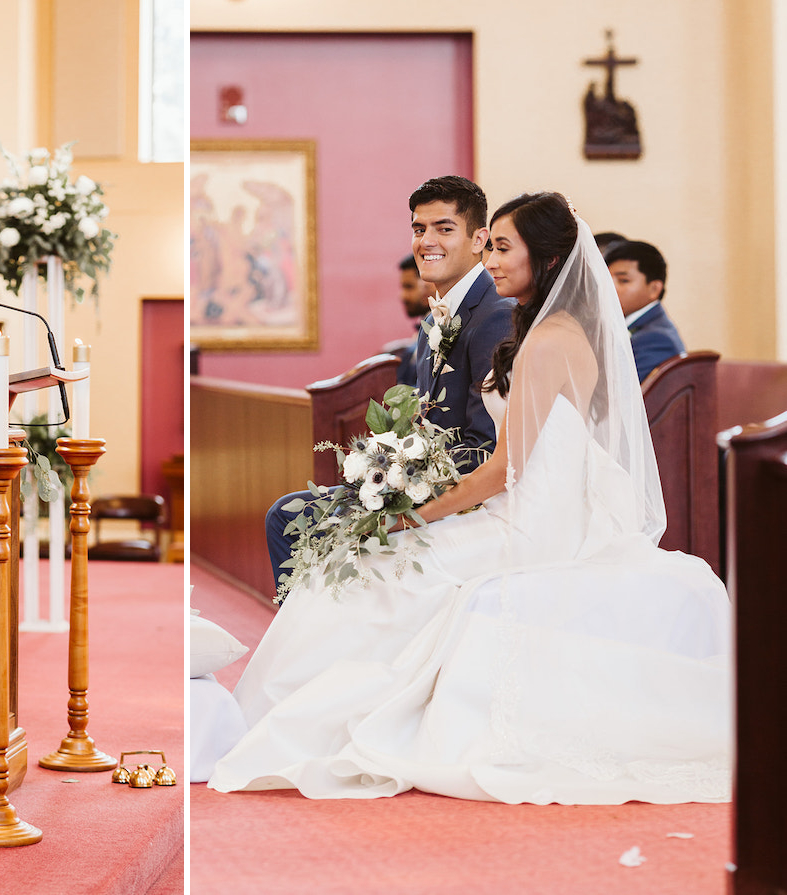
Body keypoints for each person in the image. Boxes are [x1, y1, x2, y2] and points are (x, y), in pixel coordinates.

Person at [210, 193, 731, 804]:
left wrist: (411, 518)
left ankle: (310, 717)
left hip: (529, 522)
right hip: (540, 507)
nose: (492, 259)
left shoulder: (547, 341)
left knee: (378, 570)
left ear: (548, 256)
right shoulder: (556, 331)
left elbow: (501, 470)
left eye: (503, 247)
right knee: (366, 565)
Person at [264, 176, 514, 591]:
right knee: (290, 511)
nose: (426, 240)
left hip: (466, 497)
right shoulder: (434, 319)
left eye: (444, 228)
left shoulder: (495, 316)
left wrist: (401, 478)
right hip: (420, 478)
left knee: (289, 516)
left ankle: (313, 643)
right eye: (419, 229)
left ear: (478, 239)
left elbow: (486, 446)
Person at [605, 239, 686, 382]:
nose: (610, 288)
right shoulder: (647, 328)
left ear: (654, 289)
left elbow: (623, 394)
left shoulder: (656, 339)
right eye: (606, 279)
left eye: (623, 280)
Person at [380, 254, 435, 387]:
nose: (402, 296)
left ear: (430, 285)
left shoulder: (440, 329)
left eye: (409, 287)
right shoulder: (418, 336)